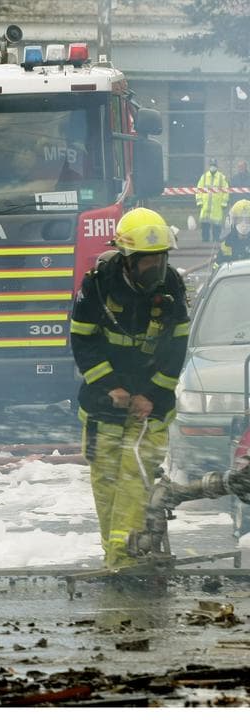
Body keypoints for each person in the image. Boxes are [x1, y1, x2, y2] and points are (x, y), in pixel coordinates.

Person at [70, 207, 189, 570]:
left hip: (152, 406)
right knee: (107, 484)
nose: (156, 269)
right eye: (147, 262)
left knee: (135, 480)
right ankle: (117, 557)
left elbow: (176, 349)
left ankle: (125, 561)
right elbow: (81, 342)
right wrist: (112, 386)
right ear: (127, 259)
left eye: (161, 259)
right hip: (104, 404)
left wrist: (150, 395)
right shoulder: (97, 285)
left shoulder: (172, 286)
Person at [196, 159, 230, 243]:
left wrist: (224, 203)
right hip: (205, 205)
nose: (213, 167)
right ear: (209, 166)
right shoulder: (204, 177)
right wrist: (199, 202)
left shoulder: (222, 178)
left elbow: (226, 191)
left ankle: (216, 239)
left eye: (214, 165)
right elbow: (198, 190)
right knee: (205, 224)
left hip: (217, 206)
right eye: (211, 165)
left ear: (217, 166)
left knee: (217, 224)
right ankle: (205, 239)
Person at [215, 199, 250, 271]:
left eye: (247, 220)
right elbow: (216, 270)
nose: (244, 224)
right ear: (233, 221)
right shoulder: (226, 245)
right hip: (232, 281)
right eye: (240, 219)